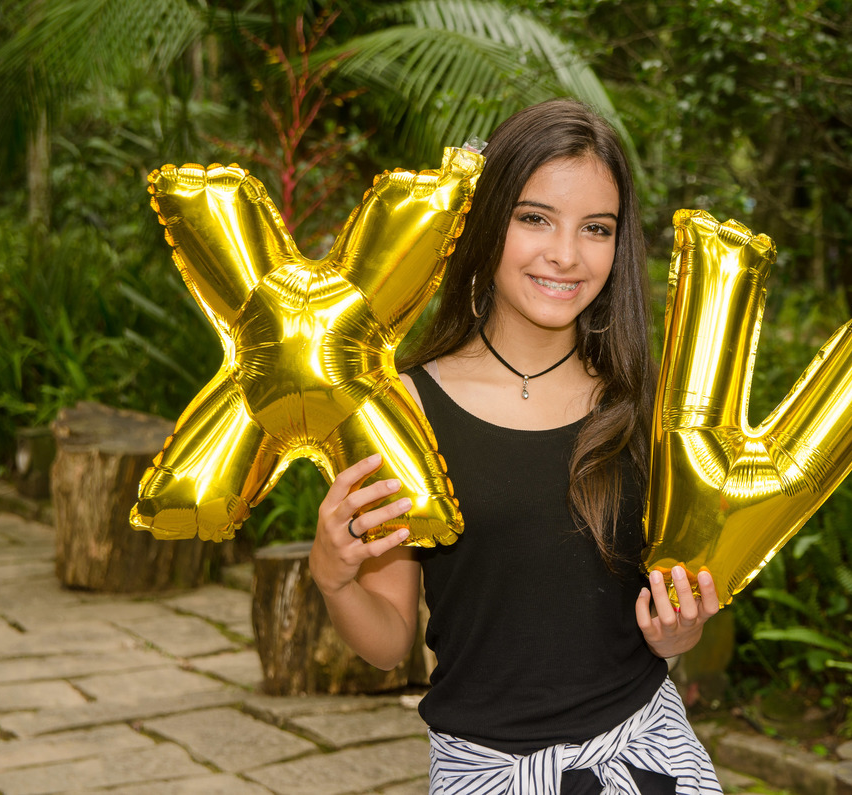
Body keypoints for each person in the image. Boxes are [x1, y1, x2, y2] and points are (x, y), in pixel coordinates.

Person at [308, 98, 723, 794]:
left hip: (646, 757)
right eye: (535, 218)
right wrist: (333, 577)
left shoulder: (649, 406)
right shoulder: (403, 408)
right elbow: (386, 642)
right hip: (487, 773)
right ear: (488, 218)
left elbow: (676, 608)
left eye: (596, 228)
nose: (566, 254)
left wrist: (678, 635)